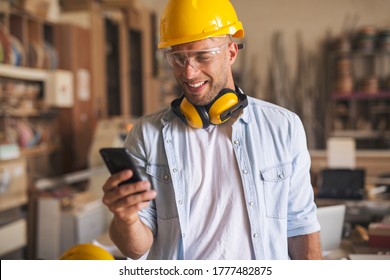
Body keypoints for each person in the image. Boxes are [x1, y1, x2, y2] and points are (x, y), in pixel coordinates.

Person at [102, 0, 322, 260]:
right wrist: (125, 219)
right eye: (178, 58)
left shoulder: (283, 127)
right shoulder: (147, 134)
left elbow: (300, 226)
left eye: (202, 56)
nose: (189, 72)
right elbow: (135, 249)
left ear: (230, 53)